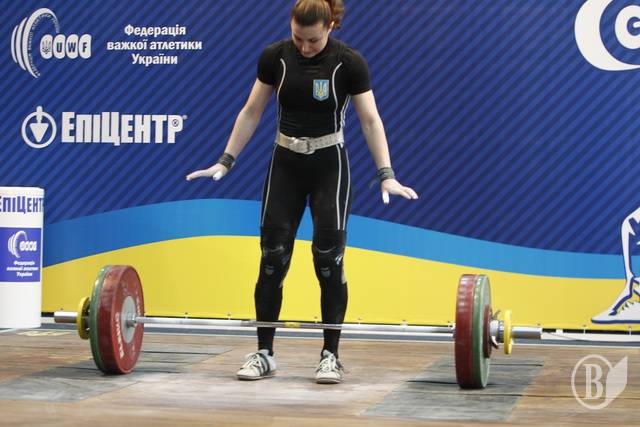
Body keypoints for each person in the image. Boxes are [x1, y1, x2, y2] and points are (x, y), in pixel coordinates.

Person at [186, 0, 418, 383]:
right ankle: (264, 353)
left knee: (328, 260)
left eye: (313, 40)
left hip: (330, 166)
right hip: (286, 164)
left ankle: (330, 356)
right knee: (272, 258)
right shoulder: (275, 57)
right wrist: (225, 160)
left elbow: (370, 120)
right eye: (298, 38)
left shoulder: (349, 62)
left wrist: (386, 174)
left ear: (330, 27)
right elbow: (251, 111)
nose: (305, 47)